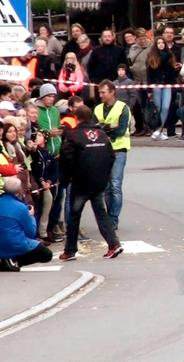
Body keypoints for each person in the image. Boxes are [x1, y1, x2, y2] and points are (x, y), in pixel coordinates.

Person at [59, 105, 123, 261]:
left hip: (81, 182)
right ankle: (113, 243)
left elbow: (67, 159)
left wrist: (65, 180)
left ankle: (70, 250)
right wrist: (104, 175)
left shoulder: (73, 135)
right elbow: (111, 156)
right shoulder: (101, 135)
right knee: (101, 213)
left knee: (74, 215)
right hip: (99, 182)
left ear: (76, 118)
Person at [92, 80, 132, 230]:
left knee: (115, 184)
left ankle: (113, 218)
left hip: (119, 149)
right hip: (103, 150)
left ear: (112, 92)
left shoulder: (123, 108)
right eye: (100, 92)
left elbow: (121, 130)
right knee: (107, 186)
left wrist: (103, 128)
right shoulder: (97, 109)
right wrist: (108, 127)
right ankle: (110, 217)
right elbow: (94, 131)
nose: (100, 95)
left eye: (103, 92)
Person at [0, 177, 53, 271]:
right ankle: (15, 261)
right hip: (15, 244)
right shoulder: (21, 207)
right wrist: (31, 216)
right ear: (19, 190)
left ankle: (6, 261)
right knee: (46, 254)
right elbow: (31, 232)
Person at [147, 37, 178, 141]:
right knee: (158, 108)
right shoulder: (152, 57)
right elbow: (149, 75)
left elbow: (173, 73)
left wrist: (174, 85)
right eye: (158, 43)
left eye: (162, 43)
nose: (161, 44)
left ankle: (159, 130)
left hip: (167, 85)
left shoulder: (169, 56)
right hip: (156, 85)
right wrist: (149, 90)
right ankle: (157, 129)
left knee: (165, 108)